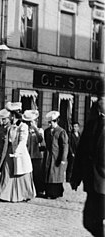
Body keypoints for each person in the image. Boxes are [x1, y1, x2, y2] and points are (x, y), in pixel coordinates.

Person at [70, 93, 105, 237]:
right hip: (93, 182)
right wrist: (75, 177)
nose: (99, 101)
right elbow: (82, 152)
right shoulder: (92, 124)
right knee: (89, 221)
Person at [0, 105, 36, 202]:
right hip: (9, 151)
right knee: (7, 171)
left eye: (12, 115)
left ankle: (24, 194)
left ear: (15, 115)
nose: (11, 118)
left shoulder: (23, 126)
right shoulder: (10, 127)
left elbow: (23, 141)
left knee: (20, 173)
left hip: (19, 153)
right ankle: (4, 194)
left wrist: (18, 151)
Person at [43, 111, 69, 199]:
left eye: (52, 122)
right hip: (48, 156)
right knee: (48, 174)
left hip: (57, 156)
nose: (50, 124)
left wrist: (63, 159)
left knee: (56, 174)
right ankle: (48, 192)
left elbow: (65, 146)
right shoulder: (46, 131)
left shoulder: (61, 131)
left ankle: (56, 193)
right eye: (49, 122)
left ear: (56, 121)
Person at [25, 111, 45, 197]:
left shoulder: (40, 130)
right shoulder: (27, 130)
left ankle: (39, 190)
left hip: (37, 155)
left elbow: (41, 139)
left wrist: (35, 129)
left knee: (37, 173)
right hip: (29, 155)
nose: (30, 123)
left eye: (32, 121)